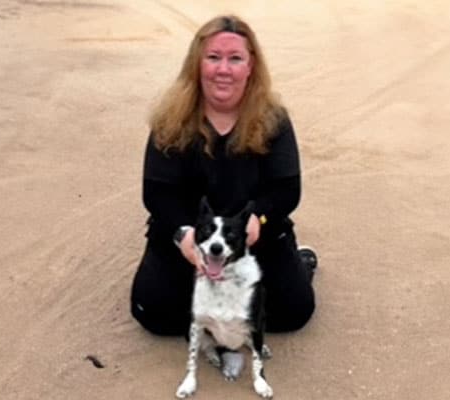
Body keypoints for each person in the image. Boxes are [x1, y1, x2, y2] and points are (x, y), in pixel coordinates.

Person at [130, 15, 317, 336]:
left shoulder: (273, 119)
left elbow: (287, 189)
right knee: (153, 314)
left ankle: (299, 264)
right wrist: (183, 235)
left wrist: (260, 219)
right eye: (213, 58)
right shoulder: (170, 118)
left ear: (250, 66)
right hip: (188, 236)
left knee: (292, 313)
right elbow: (157, 193)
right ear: (197, 64)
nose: (223, 70)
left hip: (252, 235)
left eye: (235, 59)